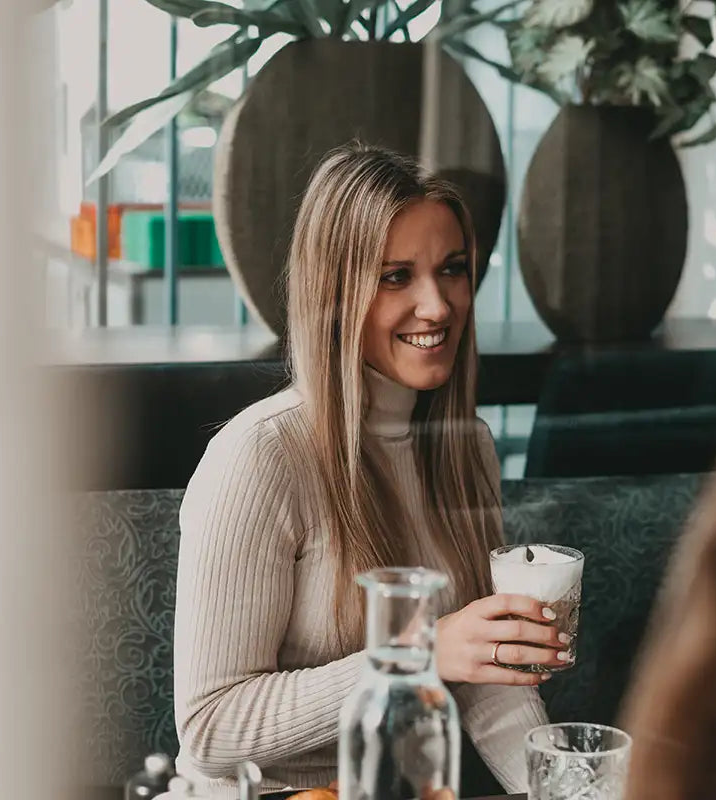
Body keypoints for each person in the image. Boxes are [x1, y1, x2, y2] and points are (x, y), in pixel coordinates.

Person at [173, 144, 565, 797]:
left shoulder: (466, 447)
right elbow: (211, 730)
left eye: (452, 270)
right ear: (334, 293)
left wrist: (570, 783)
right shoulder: (262, 456)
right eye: (395, 277)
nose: (437, 306)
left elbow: (480, 679)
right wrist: (414, 658)